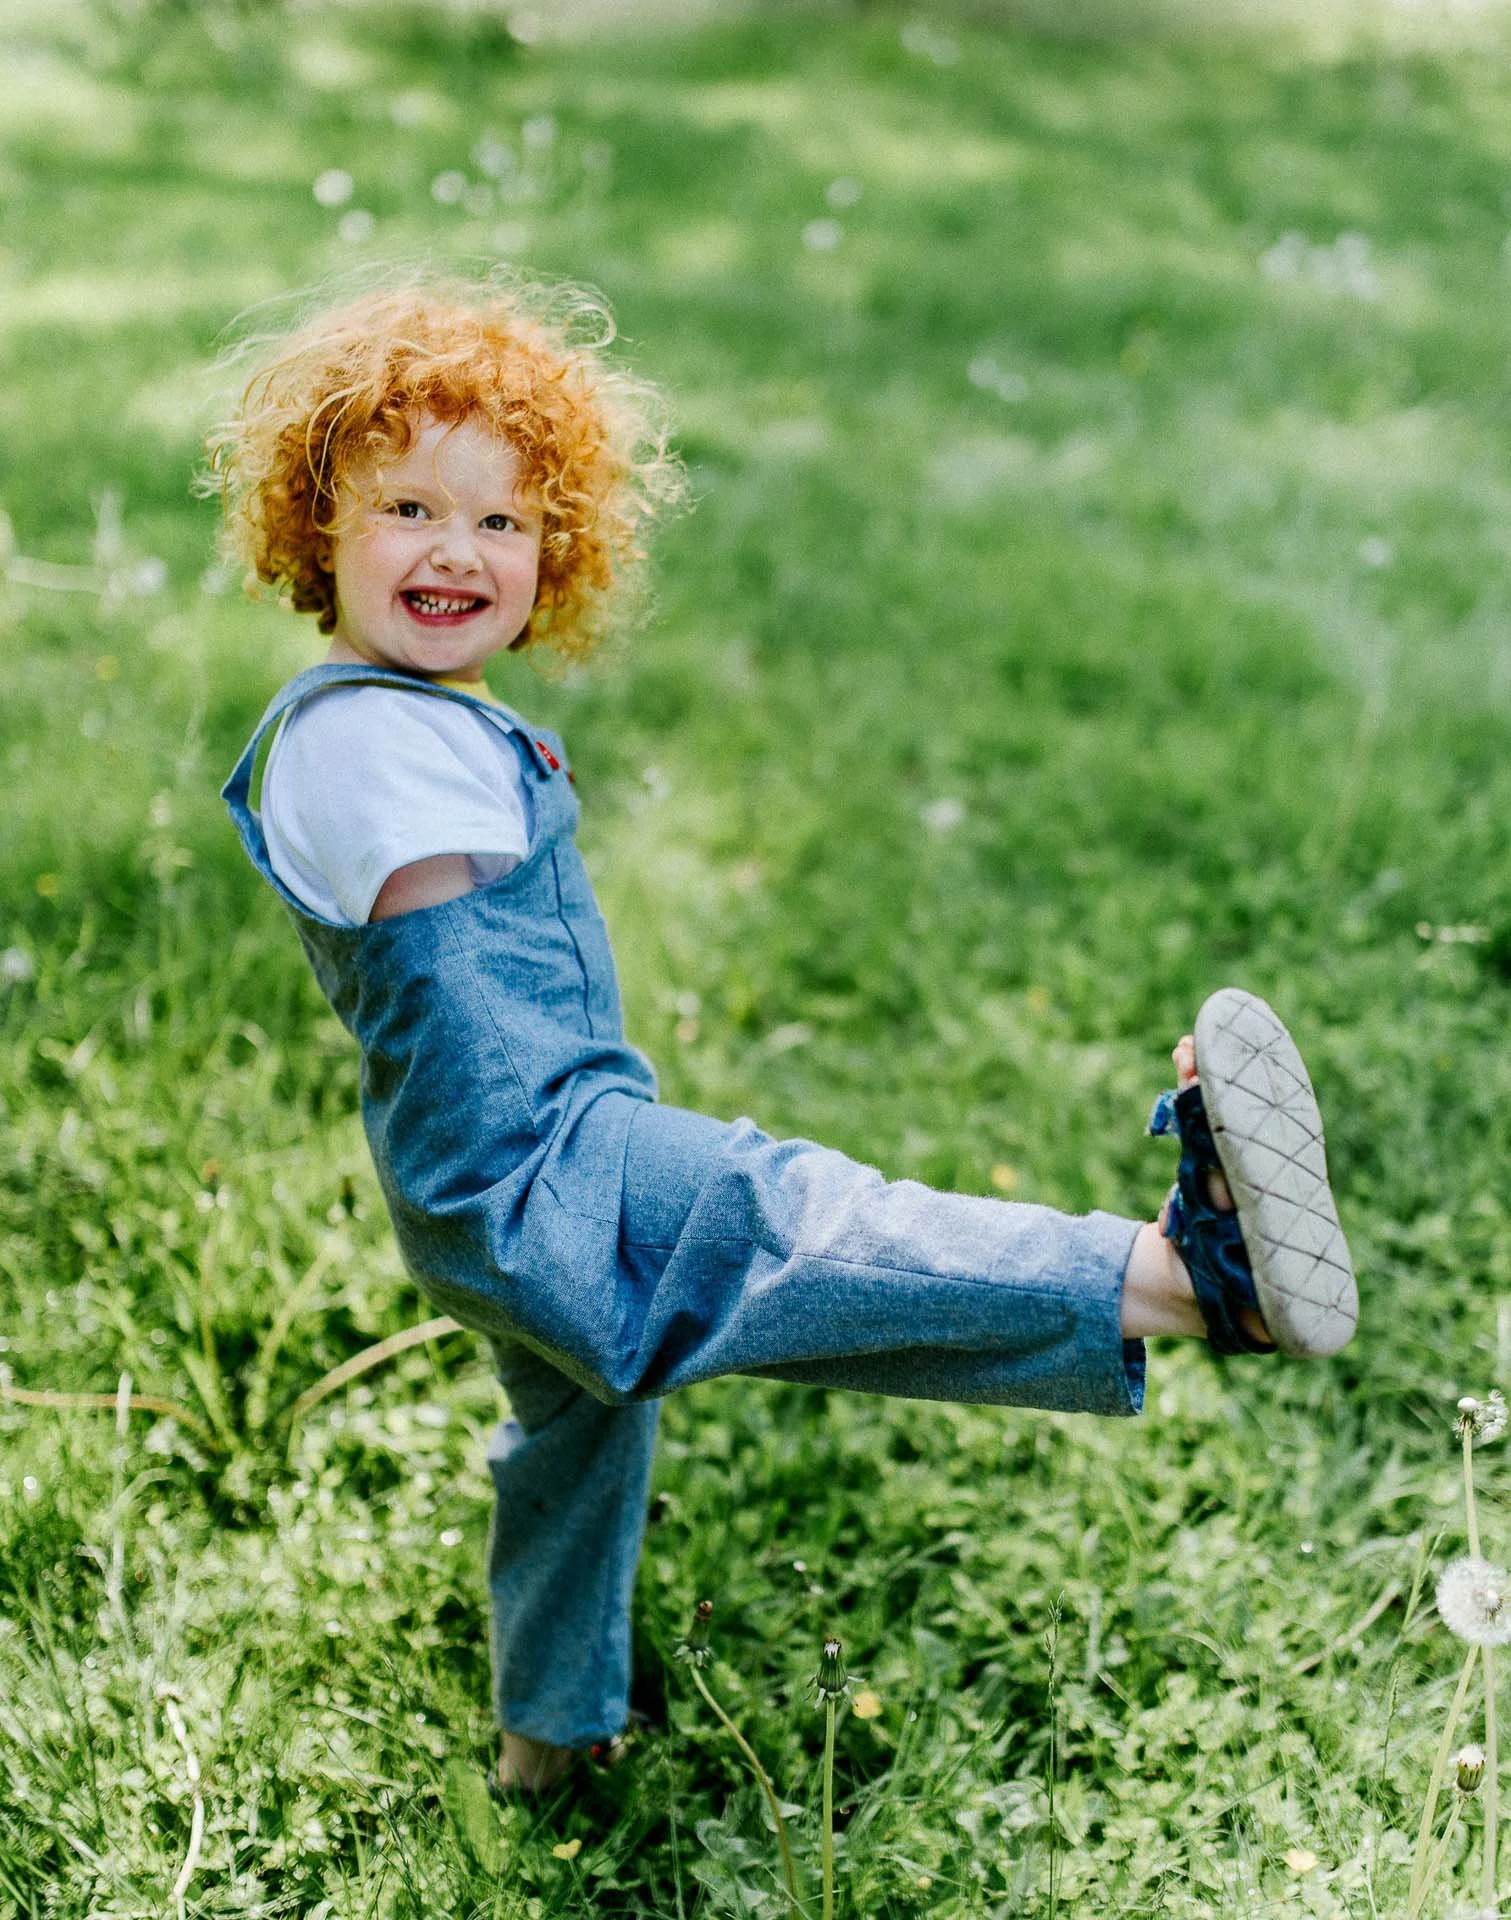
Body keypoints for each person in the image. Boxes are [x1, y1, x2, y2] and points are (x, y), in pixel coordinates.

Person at [210, 277, 1358, 1793]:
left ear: (553, 554)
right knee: (807, 1226)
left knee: (577, 1441)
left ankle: (546, 1744)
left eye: (501, 524)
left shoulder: (428, 719)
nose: (455, 551)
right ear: (316, 528)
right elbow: (411, 891)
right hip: (541, 1175)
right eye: (405, 507)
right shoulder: (350, 741)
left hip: (491, 1183)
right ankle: (1199, 1285)